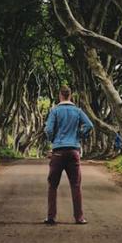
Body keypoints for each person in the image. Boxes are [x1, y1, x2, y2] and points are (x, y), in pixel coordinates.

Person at [44, 85, 93, 225]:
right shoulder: (77, 111)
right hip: (73, 151)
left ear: (60, 95)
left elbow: (48, 129)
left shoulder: (55, 111)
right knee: (76, 185)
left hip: (58, 152)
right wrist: (79, 136)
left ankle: (51, 217)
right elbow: (89, 125)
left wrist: (53, 140)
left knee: (52, 185)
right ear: (70, 96)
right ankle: (79, 218)